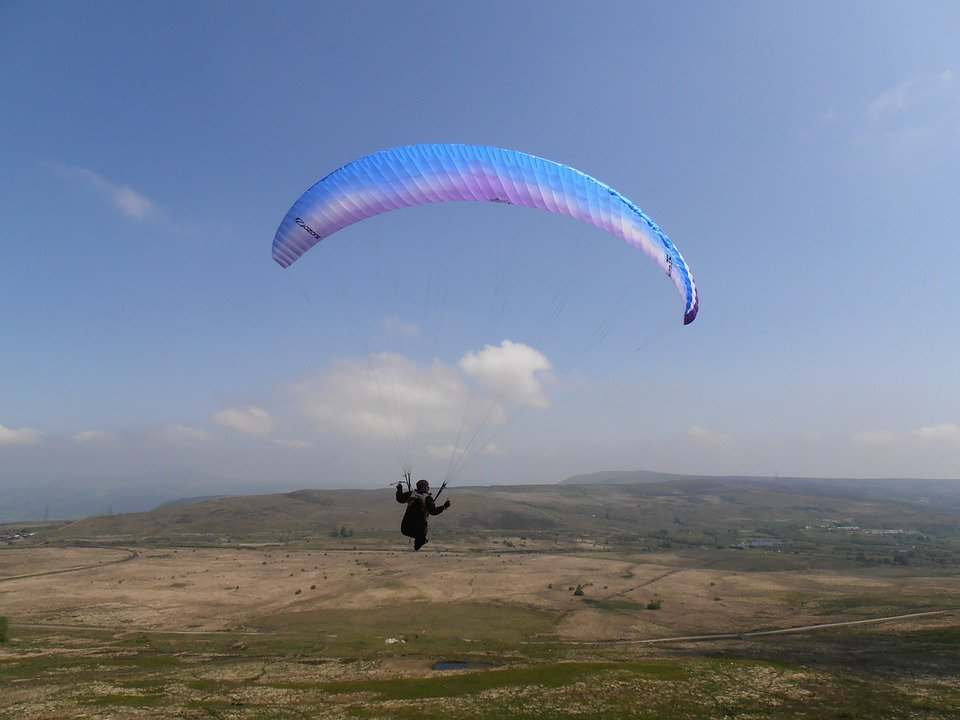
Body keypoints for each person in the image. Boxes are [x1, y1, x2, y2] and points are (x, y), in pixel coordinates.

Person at [395, 478, 450, 551]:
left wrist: (399, 489)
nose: (428, 488)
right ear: (424, 487)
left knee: (416, 535)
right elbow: (433, 511)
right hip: (418, 527)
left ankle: (419, 542)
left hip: (406, 526)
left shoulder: (411, 494)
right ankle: (419, 543)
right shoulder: (427, 498)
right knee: (421, 535)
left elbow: (400, 498)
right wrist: (444, 507)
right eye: (427, 486)